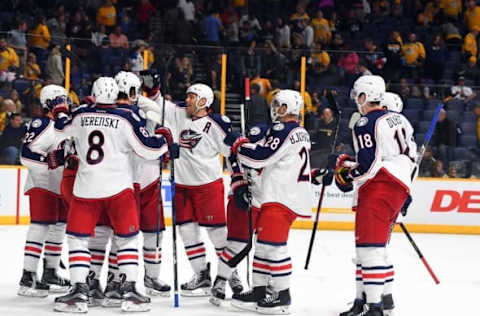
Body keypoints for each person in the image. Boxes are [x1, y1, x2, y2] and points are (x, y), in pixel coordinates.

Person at [52, 77, 173, 313]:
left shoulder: (80, 114)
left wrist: (58, 112)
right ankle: (129, 291)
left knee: (78, 239)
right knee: (127, 240)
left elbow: (59, 130)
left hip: (86, 188)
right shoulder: (126, 117)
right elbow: (149, 150)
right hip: (120, 189)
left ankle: (79, 290)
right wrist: (164, 139)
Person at [138, 74, 243, 297]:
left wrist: (238, 179)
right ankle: (202, 275)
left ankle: (230, 274)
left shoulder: (217, 123)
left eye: (192, 97)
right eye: (187, 96)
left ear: (203, 101)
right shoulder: (177, 114)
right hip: (182, 186)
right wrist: (152, 86)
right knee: (188, 232)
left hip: (208, 186)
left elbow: (233, 151)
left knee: (217, 235)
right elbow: (155, 102)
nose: (187, 100)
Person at [338, 75, 417, 316]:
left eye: (358, 96)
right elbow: (405, 157)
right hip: (397, 187)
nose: (356, 101)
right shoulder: (400, 119)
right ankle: (368, 301)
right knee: (372, 248)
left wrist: (346, 173)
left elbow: (369, 165)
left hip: (379, 186)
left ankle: (375, 306)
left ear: (365, 96)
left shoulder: (366, 122)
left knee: (370, 249)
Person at [230, 90, 312, 314]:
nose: (274, 108)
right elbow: (266, 151)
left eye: (278, 104)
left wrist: (239, 144)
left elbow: (260, 158)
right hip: (281, 196)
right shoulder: (298, 131)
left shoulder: (283, 129)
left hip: (281, 197)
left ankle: (282, 296)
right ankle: (259, 290)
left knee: (274, 248)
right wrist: (247, 145)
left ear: (287, 108)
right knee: (263, 245)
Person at [115, 71, 171, 297]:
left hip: (149, 176)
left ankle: (151, 276)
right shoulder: (113, 110)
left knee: (154, 232)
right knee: (120, 233)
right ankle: (117, 278)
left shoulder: (147, 105)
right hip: (124, 179)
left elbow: (159, 121)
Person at [18, 85, 73, 298]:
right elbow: (26, 154)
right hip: (42, 184)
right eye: (62, 99)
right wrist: (49, 162)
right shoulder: (42, 123)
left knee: (59, 227)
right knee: (39, 228)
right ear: (51, 101)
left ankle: (50, 272)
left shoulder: (62, 125)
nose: (66, 103)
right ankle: (28, 275)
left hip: (58, 185)